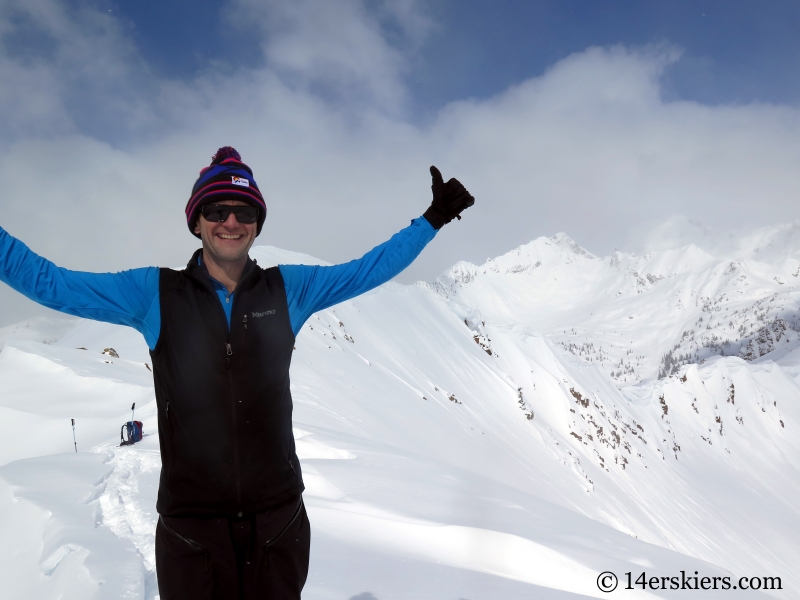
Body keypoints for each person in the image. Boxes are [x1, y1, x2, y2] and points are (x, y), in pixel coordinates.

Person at [0, 147, 474, 599]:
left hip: (278, 522)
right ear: (196, 220)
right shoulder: (155, 293)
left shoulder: (289, 289)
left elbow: (366, 270)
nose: (230, 222)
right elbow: (51, 284)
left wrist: (430, 222)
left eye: (244, 212)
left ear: (257, 224)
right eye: (217, 210)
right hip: (192, 530)